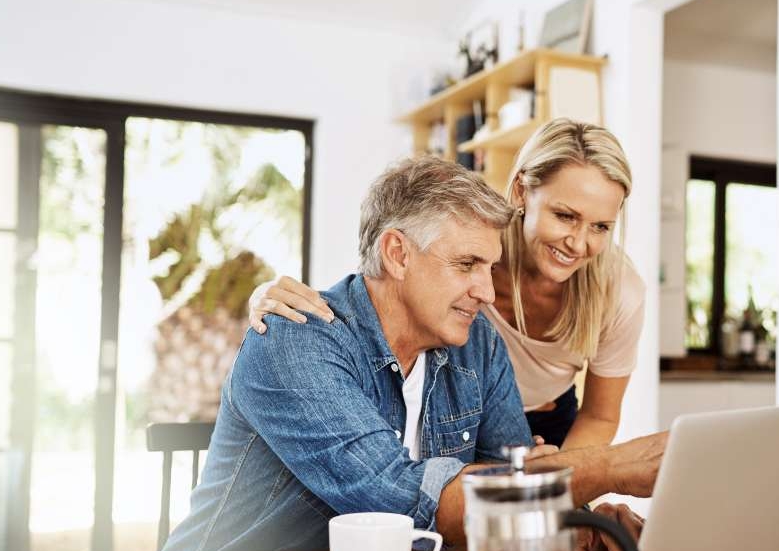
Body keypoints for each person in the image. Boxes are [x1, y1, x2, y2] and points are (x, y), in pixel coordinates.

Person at [161, 157, 663, 551]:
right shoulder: (295, 341)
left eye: (490, 267)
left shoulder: (478, 345)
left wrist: (578, 522)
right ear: (397, 254)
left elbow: (514, 473)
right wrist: (609, 468)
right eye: (467, 265)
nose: (487, 292)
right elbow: (400, 499)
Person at [250, 118, 644, 449]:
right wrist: (270, 301)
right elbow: (382, 282)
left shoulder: (618, 291)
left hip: (549, 424)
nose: (578, 242)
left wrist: (566, 481)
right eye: (564, 216)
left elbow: (600, 414)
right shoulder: (474, 237)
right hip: (452, 403)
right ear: (522, 190)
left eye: (601, 227)